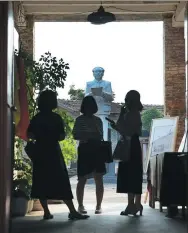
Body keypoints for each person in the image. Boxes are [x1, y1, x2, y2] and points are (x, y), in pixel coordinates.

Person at [27, 89, 89, 220]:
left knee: (40, 181)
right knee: (61, 181)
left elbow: (29, 134)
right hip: (53, 151)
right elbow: (61, 136)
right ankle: (72, 211)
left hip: (40, 152)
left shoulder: (36, 118)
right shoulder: (56, 118)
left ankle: (46, 212)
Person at [111, 90, 143, 216]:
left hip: (130, 146)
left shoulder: (132, 114)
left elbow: (127, 131)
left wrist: (118, 124)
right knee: (135, 174)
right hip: (134, 145)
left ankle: (132, 205)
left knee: (130, 175)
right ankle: (136, 204)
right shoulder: (135, 114)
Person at [72, 96, 106, 215]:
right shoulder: (79, 120)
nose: (89, 108)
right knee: (82, 179)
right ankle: (80, 206)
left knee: (99, 178)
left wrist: (87, 135)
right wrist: (90, 135)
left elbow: (100, 135)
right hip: (85, 150)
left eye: (91, 106)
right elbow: (75, 135)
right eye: (87, 106)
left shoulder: (98, 120)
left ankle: (98, 206)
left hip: (96, 150)